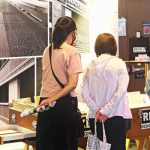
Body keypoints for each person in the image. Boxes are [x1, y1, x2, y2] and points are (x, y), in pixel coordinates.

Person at [36, 16, 83, 150]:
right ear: (73, 32)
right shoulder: (72, 52)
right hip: (63, 104)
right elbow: (73, 84)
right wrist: (53, 98)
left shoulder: (47, 50)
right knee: (65, 145)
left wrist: (49, 99)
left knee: (46, 144)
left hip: (44, 104)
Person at [81, 33, 132, 150]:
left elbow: (84, 93)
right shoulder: (119, 63)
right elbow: (121, 90)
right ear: (113, 46)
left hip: (96, 117)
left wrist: (98, 110)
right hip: (116, 117)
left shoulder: (89, 67)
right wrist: (106, 110)